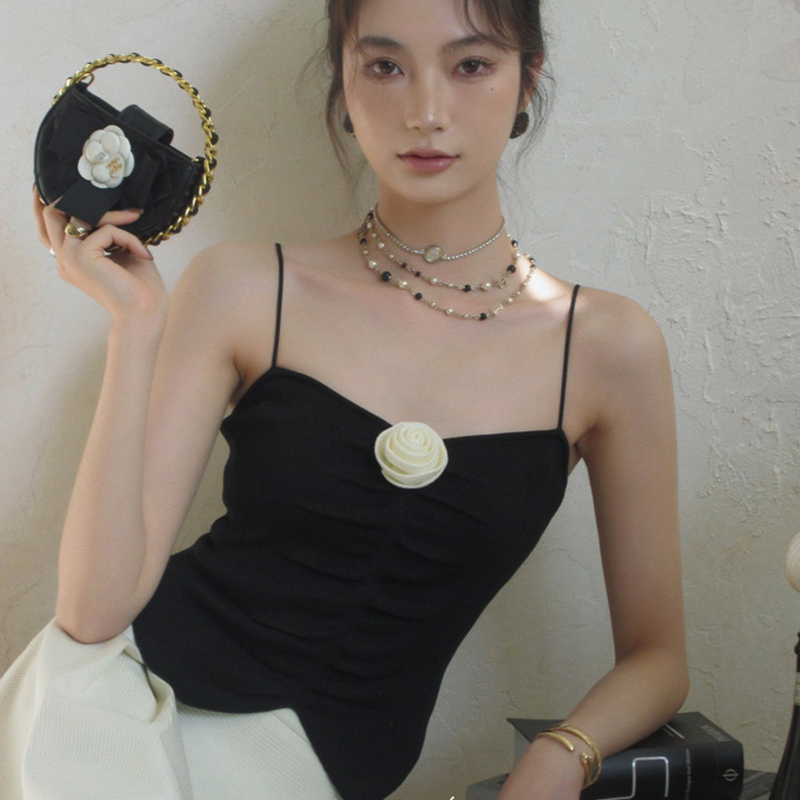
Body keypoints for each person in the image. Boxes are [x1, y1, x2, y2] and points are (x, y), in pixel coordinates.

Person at [3, 0, 688, 798]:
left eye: (470, 65)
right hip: (109, 715)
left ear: (526, 79)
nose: (426, 110)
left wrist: (562, 754)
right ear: (345, 83)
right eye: (385, 66)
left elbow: (659, 660)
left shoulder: (606, 348)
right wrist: (135, 328)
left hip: (314, 772)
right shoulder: (245, 286)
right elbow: (92, 617)